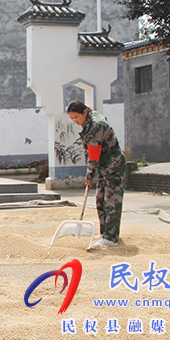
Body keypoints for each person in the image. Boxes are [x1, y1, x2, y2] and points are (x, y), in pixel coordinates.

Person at [67, 101, 126, 247]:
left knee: (111, 200)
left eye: (77, 117)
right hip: (104, 165)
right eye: (72, 118)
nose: (75, 121)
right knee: (100, 198)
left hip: (114, 165)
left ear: (85, 113)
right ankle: (104, 231)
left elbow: (93, 155)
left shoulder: (96, 125)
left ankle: (111, 238)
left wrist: (89, 176)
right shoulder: (90, 119)